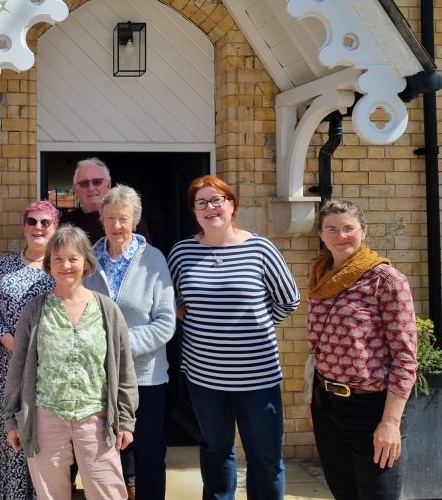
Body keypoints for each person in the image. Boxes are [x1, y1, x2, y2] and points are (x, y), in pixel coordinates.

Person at [167, 175, 300, 500]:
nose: (210, 207)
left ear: (232, 205)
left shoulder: (260, 249)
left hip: (258, 378)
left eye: (217, 200)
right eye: (201, 202)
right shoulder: (182, 252)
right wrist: (193, 319)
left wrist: (255, 324)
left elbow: (289, 299)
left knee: (265, 459)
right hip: (204, 378)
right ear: (194, 211)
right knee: (215, 453)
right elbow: (169, 298)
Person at [5, 226, 138, 500]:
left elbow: (125, 368)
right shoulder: (35, 309)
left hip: (96, 419)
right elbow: (18, 367)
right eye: (58, 259)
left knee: (108, 494)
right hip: (46, 418)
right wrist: (12, 419)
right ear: (49, 264)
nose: (66, 266)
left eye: (73, 258)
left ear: (86, 262)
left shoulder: (107, 309)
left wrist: (125, 420)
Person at [306, 200, 417, 500]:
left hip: (372, 408)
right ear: (321, 234)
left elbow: (405, 357)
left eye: (349, 228)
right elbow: (317, 347)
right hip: (327, 404)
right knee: (344, 493)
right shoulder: (318, 276)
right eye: (331, 229)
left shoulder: (386, 280)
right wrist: (312, 399)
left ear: (364, 232)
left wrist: (390, 422)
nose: (341, 236)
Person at [84, 185, 175, 500]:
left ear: (135, 221)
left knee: (149, 454)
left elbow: (165, 322)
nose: (117, 225)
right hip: (97, 376)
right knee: (104, 455)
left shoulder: (153, 260)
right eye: (110, 218)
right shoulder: (89, 258)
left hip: (145, 377)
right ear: (101, 220)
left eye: (123, 218)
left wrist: (121, 347)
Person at [0, 200, 58, 500]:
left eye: (45, 222)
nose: (38, 227)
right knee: (11, 430)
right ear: (24, 226)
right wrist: (10, 342)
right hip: (11, 362)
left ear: (55, 227)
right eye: (32, 221)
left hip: (48, 365)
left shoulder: (61, 265)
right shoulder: (6, 265)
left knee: (45, 433)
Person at [59, 157, 151, 244]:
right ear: (76, 190)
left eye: (97, 182)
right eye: (84, 183)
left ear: (108, 185)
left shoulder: (128, 219)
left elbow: (146, 253)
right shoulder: (66, 222)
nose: (91, 188)